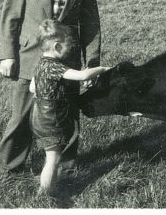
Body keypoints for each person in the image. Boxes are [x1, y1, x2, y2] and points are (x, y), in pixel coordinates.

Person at [0, 0, 101, 182]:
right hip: (29, 56)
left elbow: (91, 22)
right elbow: (11, 15)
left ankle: (65, 168)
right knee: (21, 116)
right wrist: (7, 55)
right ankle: (8, 169)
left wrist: (92, 61)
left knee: (68, 115)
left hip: (67, 59)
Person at [29, 19, 109, 194]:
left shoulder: (40, 63)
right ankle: (45, 194)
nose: (70, 50)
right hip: (52, 119)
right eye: (68, 46)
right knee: (53, 159)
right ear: (57, 47)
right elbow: (82, 75)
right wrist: (102, 69)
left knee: (50, 155)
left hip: (38, 116)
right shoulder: (53, 67)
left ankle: (49, 185)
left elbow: (32, 87)